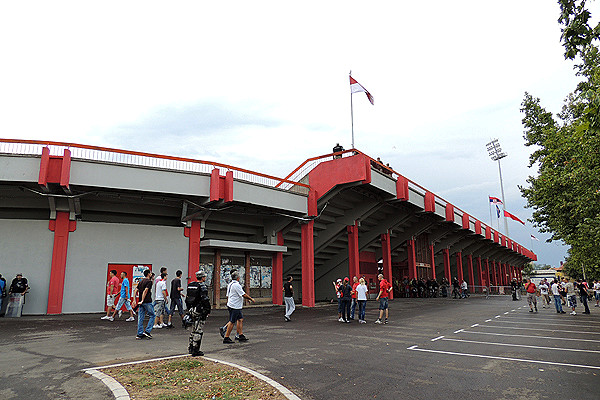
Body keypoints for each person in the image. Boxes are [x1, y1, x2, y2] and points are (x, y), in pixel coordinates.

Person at [222, 271, 254, 344]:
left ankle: (240, 335)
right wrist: (250, 299)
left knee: (240, 319)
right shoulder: (236, 285)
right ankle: (226, 337)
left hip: (233, 304)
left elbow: (228, 295)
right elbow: (243, 294)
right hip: (235, 306)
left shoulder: (230, 284)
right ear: (238, 278)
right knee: (232, 321)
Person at [185, 270, 211, 356]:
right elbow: (205, 299)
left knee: (193, 329)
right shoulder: (202, 287)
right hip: (199, 310)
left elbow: (187, 299)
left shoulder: (191, 285)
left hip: (191, 310)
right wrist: (207, 310)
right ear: (203, 277)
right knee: (198, 330)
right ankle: (196, 350)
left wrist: (189, 309)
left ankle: (191, 347)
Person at [132, 269, 155, 339]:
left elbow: (135, 290)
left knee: (140, 317)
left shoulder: (141, 281)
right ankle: (147, 331)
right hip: (147, 301)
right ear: (148, 274)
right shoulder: (149, 282)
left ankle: (139, 334)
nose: (151, 274)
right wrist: (142, 300)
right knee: (152, 315)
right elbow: (146, 290)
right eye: (150, 273)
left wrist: (134, 300)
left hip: (140, 303)